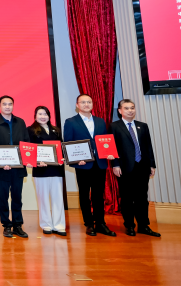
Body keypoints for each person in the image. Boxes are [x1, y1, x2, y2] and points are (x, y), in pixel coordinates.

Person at [63, 94, 116, 237]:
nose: (86, 104)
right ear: (77, 105)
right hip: (83, 165)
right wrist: (75, 160)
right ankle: (89, 224)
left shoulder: (100, 121)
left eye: (89, 102)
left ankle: (100, 223)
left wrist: (109, 152)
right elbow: (68, 143)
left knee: (98, 195)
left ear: (92, 104)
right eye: (83, 102)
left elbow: (104, 141)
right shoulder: (71, 122)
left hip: (100, 163)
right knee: (84, 195)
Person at [111, 99, 160, 237]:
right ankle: (129, 225)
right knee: (127, 198)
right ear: (120, 110)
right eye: (126, 108)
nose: (130, 110)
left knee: (142, 198)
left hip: (142, 167)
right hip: (124, 167)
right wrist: (115, 164)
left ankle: (143, 225)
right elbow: (112, 147)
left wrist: (152, 164)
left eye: (132, 108)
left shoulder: (142, 126)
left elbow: (148, 146)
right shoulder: (114, 126)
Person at [0, 95, 31, 238]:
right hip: (2, 168)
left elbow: (26, 142)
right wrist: (1, 162)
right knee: (3, 198)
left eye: (10, 104)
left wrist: (27, 159)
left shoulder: (21, 122)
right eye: (4, 104)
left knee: (17, 197)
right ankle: (6, 225)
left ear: (13, 105)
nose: (7, 106)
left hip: (18, 167)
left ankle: (18, 225)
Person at [28, 106, 66, 236]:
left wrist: (63, 157)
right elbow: (29, 149)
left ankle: (59, 225)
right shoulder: (30, 130)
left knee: (58, 198)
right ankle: (46, 225)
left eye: (45, 114)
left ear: (49, 116)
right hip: (40, 169)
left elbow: (61, 147)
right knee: (43, 198)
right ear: (35, 116)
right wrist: (37, 161)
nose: (43, 116)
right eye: (40, 114)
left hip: (56, 168)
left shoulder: (56, 130)